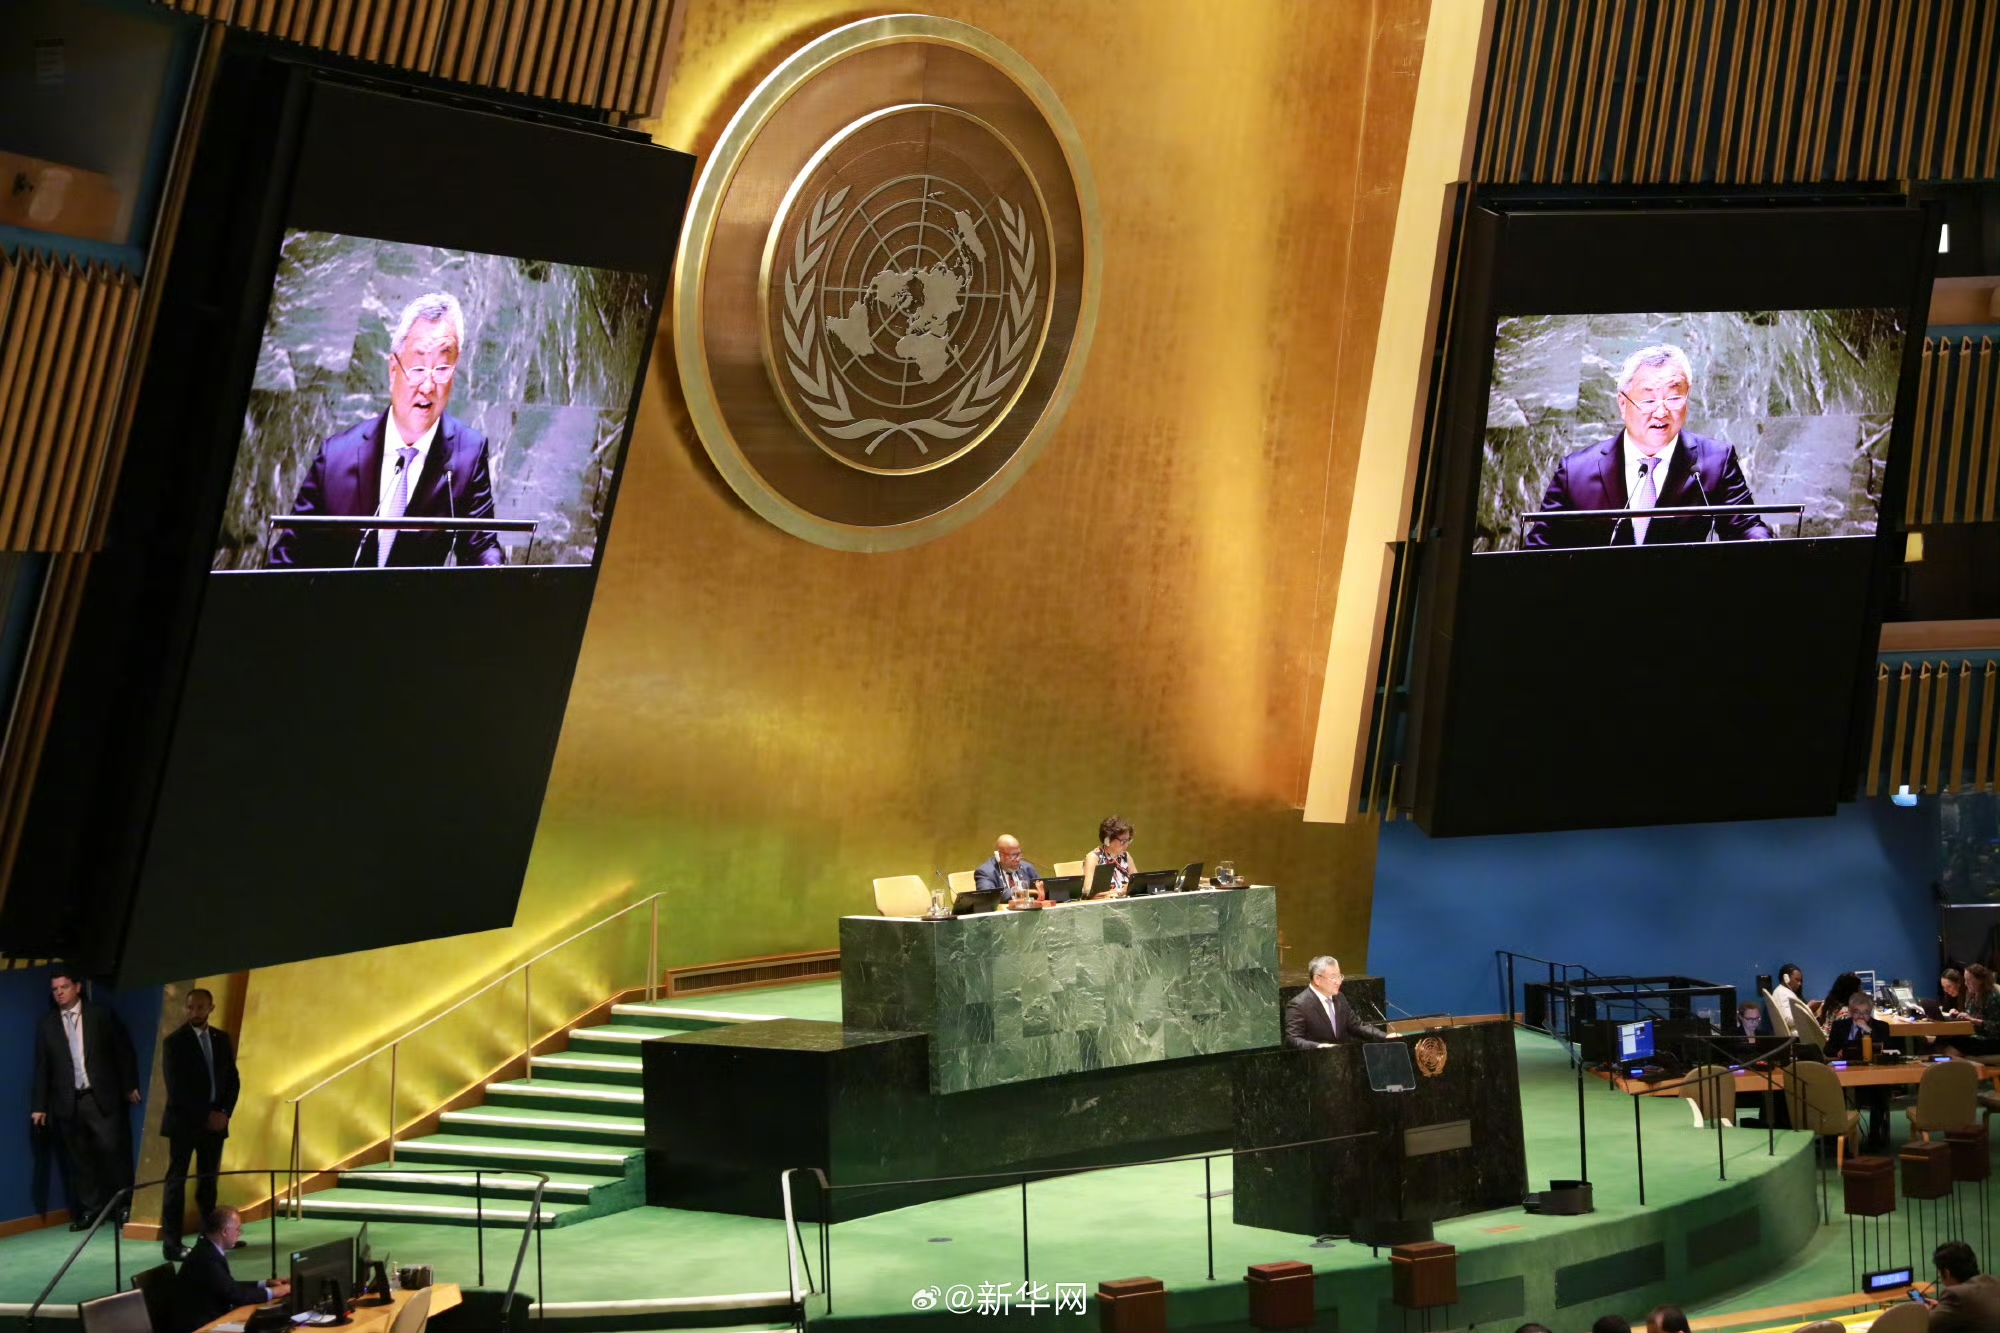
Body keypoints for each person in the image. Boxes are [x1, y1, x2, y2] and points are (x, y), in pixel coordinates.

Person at [271, 292, 505, 569]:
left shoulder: (468, 453)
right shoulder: (335, 457)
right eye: (418, 368)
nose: (428, 386)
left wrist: (494, 570)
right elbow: (288, 559)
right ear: (394, 369)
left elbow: (481, 545)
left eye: (442, 368)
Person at [1525, 344, 1773, 548]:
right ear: (1623, 403)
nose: (1661, 412)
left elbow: (1747, 526)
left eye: (1674, 398)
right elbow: (1537, 551)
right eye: (1649, 400)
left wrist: (1759, 542)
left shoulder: (1716, 462)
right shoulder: (1575, 472)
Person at [29, 966, 139, 1229]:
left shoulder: (100, 1015)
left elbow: (122, 1050)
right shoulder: (48, 1025)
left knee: (114, 1154)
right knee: (79, 1160)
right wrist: (39, 1106)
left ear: (77, 987)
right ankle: (91, 1210)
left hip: (101, 1097)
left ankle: (124, 1206)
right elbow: (43, 1067)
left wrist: (129, 1084)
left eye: (64, 987)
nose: (59, 993)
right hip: (68, 1102)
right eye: (55, 989)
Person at [159, 989, 241, 1261]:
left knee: (208, 1184)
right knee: (176, 1184)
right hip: (184, 1124)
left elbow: (232, 1080)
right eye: (191, 1007)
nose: (195, 1012)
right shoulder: (174, 1042)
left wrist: (224, 1112)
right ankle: (172, 1244)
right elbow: (177, 1088)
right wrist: (207, 1115)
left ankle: (212, 1240)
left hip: (215, 1125)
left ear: (211, 1008)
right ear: (186, 1009)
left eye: (201, 1007)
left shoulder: (221, 1039)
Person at [172, 1206, 289, 1333]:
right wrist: (275, 1292)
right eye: (237, 1229)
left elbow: (228, 1286)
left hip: (211, 1317)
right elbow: (234, 1295)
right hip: (202, 1326)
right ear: (225, 1231)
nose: (239, 1233)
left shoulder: (207, 1249)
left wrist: (265, 1283)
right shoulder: (207, 1257)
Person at [1828, 991, 1893, 1151]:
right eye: (1857, 1012)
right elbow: (1828, 1048)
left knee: (1880, 1090)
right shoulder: (1840, 1026)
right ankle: (1832, 1135)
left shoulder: (1881, 1027)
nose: (1861, 1016)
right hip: (1844, 1075)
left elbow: (1887, 1048)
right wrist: (1837, 1052)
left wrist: (1868, 1030)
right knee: (1829, 1090)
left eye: (1865, 1012)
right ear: (1850, 1011)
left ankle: (1875, 1136)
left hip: (1872, 1078)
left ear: (1870, 1012)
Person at [1283, 956, 1389, 1050]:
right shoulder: (1298, 1005)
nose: (1338, 982)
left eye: (1339, 976)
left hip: (1342, 1063)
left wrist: (1385, 1036)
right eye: (1333, 978)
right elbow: (1293, 1040)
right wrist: (1319, 1047)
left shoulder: (1339, 997)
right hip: (1314, 1065)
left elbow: (1356, 1026)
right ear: (1317, 979)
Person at [1927, 1240, 2000, 1332]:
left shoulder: (1956, 1295)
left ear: (1946, 1273)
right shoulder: (1994, 1281)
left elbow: (1927, 1325)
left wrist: (1926, 1312)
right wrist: (1942, 1307)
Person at [1946, 964, 2000, 1058]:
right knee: (1946, 1040)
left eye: (1969, 980)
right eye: (1965, 980)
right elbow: (1971, 1016)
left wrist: (1974, 1020)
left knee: (1952, 1046)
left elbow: (1996, 1027)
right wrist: (1959, 1015)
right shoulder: (1972, 995)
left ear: (1980, 980)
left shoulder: (1992, 997)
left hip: (1992, 1040)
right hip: (1976, 1036)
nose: (1966, 984)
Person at [973, 835, 1041, 903]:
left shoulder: (1027, 868)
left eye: (1019, 854)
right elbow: (988, 896)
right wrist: (1020, 892)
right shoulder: (985, 872)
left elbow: (1041, 889)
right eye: (1013, 855)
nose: (1017, 859)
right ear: (998, 856)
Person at [1080, 816, 1135, 898]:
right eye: (1123, 841)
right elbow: (1087, 890)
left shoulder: (1126, 856)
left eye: (1128, 840)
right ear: (1108, 840)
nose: (1126, 845)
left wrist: (1123, 891)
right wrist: (1119, 892)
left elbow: (1137, 883)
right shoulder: (1094, 857)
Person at [1771, 964, 1811, 1033]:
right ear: (1786, 978)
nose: (1799, 984)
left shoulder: (1783, 992)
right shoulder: (1782, 993)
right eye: (1797, 980)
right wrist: (1808, 1008)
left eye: (1800, 981)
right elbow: (1788, 1020)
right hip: (1797, 1035)